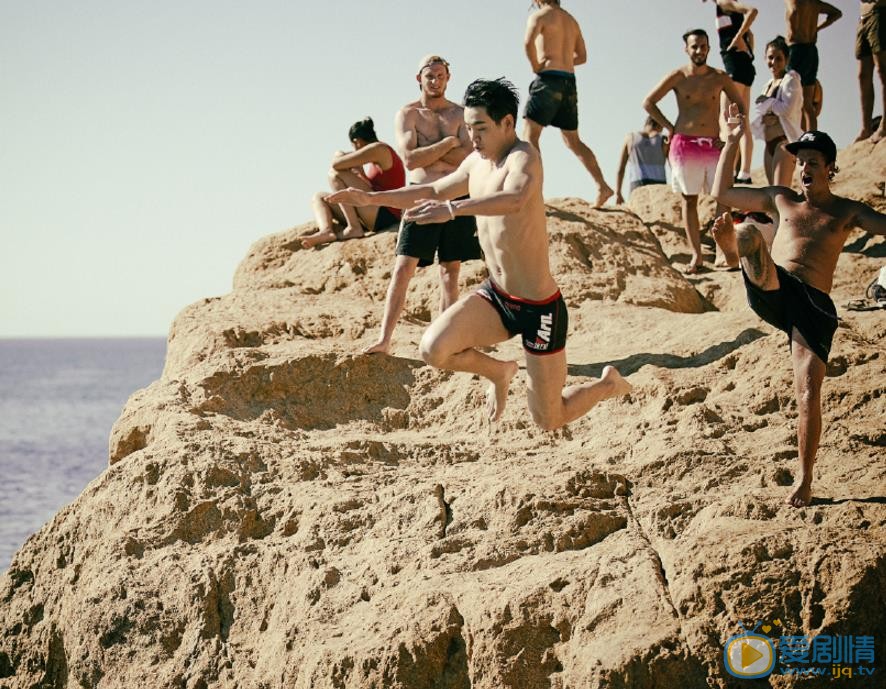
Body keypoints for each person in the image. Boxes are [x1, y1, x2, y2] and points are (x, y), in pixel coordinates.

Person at [328, 78, 632, 429]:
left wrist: (454, 210)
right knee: (433, 349)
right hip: (498, 298)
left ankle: (608, 384)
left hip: (539, 309)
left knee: (550, 419)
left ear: (507, 123)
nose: (472, 138)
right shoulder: (475, 163)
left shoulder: (525, 157)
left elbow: (515, 198)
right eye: (469, 128)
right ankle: (500, 372)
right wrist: (372, 199)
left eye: (481, 128)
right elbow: (433, 188)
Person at [711, 107, 886, 507]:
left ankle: (805, 480)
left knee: (808, 391)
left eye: (812, 162)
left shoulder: (846, 211)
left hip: (815, 308)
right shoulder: (782, 199)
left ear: (829, 169)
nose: (804, 168)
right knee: (750, 233)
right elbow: (722, 192)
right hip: (778, 287)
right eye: (800, 161)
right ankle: (728, 252)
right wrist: (734, 140)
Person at [361, 55, 482, 355]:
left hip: (455, 192)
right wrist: (449, 144)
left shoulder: (460, 114)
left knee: (450, 271)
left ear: (448, 78)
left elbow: (469, 160)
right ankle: (384, 339)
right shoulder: (409, 114)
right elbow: (411, 159)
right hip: (419, 195)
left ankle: (445, 343)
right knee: (403, 268)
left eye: (440, 75)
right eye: (430, 76)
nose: (435, 81)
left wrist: (435, 151)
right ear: (419, 78)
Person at [643, 28, 746, 273]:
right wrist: (670, 127)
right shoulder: (678, 76)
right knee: (689, 200)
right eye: (694, 46)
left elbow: (739, 105)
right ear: (686, 49)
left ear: (709, 48)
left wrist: (731, 134)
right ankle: (697, 256)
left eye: (703, 46)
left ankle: (723, 253)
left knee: (724, 197)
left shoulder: (720, 77)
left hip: (712, 143)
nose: (699, 50)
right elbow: (648, 102)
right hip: (684, 144)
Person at [522, 0, 614, 207]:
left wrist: (537, 65)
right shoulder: (571, 20)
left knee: (530, 135)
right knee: (573, 140)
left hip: (548, 79)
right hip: (568, 82)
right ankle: (602, 186)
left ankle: (535, 193)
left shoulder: (540, 16)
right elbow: (582, 56)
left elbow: (527, 43)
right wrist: (563, 61)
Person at [302, 118, 405, 249]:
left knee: (334, 173)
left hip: (387, 214)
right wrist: (360, 173)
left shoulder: (380, 149)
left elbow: (336, 164)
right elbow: (373, 186)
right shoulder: (374, 158)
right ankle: (326, 231)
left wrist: (339, 154)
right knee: (319, 197)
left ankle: (354, 227)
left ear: (357, 142)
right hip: (374, 213)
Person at [704, 0, 758, 184]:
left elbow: (752, 11)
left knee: (727, 120)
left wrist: (737, 39)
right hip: (743, 65)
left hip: (735, 65)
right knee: (742, 121)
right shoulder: (724, 5)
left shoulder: (725, 2)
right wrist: (749, 50)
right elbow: (750, 33)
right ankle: (744, 172)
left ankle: (728, 171)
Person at [751, 36, 803, 187]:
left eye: (778, 58)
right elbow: (759, 110)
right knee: (772, 194)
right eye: (770, 57)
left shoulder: (791, 79)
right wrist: (769, 112)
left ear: (786, 59)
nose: (773, 62)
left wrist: (768, 103)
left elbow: (786, 109)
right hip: (769, 145)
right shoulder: (767, 84)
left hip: (783, 143)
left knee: (781, 193)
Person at [783, 0, 842, 130]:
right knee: (807, 104)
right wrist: (817, 28)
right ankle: (811, 139)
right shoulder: (815, 3)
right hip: (811, 49)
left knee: (792, 102)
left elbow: (793, 11)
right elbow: (837, 13)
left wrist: (792, 33)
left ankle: (796, 139)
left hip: (796, 49)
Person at [614, 117, 669, 205]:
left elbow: (621, 168)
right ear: (660, 125)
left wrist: (618, 192)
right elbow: (673, 166)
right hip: (659, 186)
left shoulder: (630, 138)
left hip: (637, 185)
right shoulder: (664, 139)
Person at [855, 1, 886, 142]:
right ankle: (865, 128)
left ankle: (884, 125)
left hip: (879, 11)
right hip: (863, 17)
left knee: (882, 70)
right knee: (863, 76)